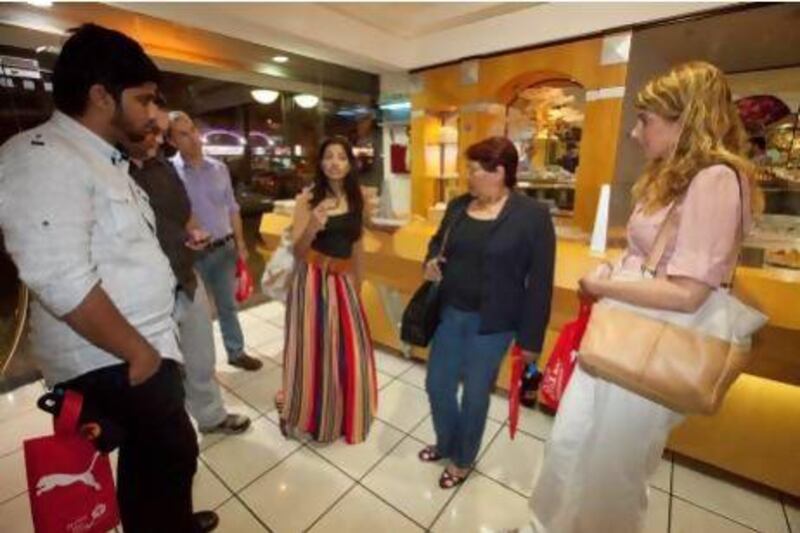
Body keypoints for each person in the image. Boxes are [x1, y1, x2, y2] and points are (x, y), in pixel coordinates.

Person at [517, 61, 759, 533]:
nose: (634, 132)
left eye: (646, 119)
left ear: (684, 119)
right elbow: (658, 260)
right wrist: (617, 268)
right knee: (573, 445)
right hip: (627, 331)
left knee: (611, 471)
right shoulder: (683, 176)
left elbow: (688, 293)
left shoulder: (714, 179)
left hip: (649, 341)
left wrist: (603, 285)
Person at [0, 24, 217, 532]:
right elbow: (60, 277)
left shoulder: (104, 160)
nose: (151, 114)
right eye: (142, 100)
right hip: (115, 357)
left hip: (141, 346)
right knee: (167, 456)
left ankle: (170, 522)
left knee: (164, 460)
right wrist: (140, 353)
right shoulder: (42, 157)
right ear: (101, 95)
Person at [419, 136, 556, 489]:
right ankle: (446, 442)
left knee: (476, 395)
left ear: (498, 171)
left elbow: (540, 282)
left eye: (474, 169)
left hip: (494, 325)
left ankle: (463, 459)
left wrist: (531, 340)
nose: (467, 175)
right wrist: (431, 262)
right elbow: (437, 242)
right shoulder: (458, 205)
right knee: (437, 385)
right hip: (451, 313)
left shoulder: (533, 216)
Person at [125, 106, 251, 435]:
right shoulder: (115, 171)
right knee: (161, 363)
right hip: (147, 285)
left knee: (202, 352)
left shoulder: (164, 169)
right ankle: (170, 423)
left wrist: (195, 232)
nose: (153, 137)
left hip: (186, 273)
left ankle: (210, 416)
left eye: (158, 130)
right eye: (151, 129)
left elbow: (188, 214)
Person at [277, 136, 378, 444]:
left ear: (350, 163)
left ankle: (346, 411)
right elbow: (297, 251)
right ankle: (310, 412)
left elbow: (357, 244)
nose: (335, 162)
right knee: (313, 351)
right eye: (328, 157)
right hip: (312, 279)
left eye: (341, 157)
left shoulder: (358, 197)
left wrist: (358, 284)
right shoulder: (307, 200)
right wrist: (313, 225)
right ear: (321, 163)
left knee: (350, 350)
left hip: (344, 280)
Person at [167, 112, 262, 372]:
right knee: (196, 315)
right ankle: (198, 366)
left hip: (224, 249)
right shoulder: (169, 172)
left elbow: (232, 208)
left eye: (193, 131)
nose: (194, 139)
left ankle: (236, 351)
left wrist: (241, 244)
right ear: (172, 142)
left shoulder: (219, 168)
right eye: (183, 135)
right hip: (190, 255)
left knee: (227, 306)